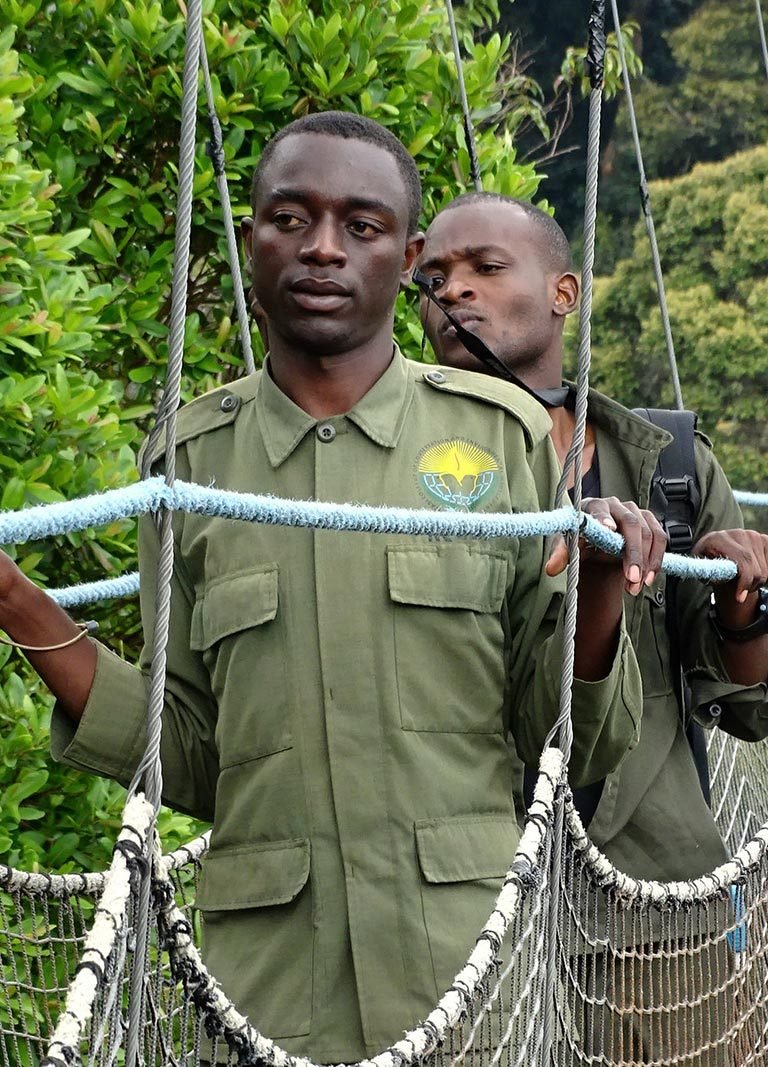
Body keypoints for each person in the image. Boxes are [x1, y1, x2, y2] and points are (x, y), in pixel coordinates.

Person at [0, 115, 657, 1063]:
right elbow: (186, 751)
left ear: (411, 257)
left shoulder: (506, 434)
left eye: (362, 225)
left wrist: (602, 595)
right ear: (251, 238)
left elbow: (565, 737)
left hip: (473, 981)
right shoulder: (189, 463)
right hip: (265, 996)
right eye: (289, 218)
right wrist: (15, 600)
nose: (321, 247)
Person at [417, 191, 768, 1062]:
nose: (453, 292)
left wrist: (741, 598)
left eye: (485, 270)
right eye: (433, 279)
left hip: (653, 915)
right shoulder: (385, 472)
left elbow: (750, 709)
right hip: (463, 925)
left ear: (563, 292)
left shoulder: (668, 466)